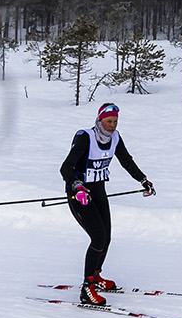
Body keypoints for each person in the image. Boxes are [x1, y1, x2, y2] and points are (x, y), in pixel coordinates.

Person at [59, 101, 154, 305]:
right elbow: (65, 167)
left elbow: (126, 161)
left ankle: (96, 276)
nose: (112, 125)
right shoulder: (85, 137)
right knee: (98, 238)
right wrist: (76, 185)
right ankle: (87, 288)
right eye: (109, 121)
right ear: (100, 120)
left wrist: (143, 180)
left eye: (115, 121)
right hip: (80, 193)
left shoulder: (115, 138)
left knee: (106, 237)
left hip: (98, 190)